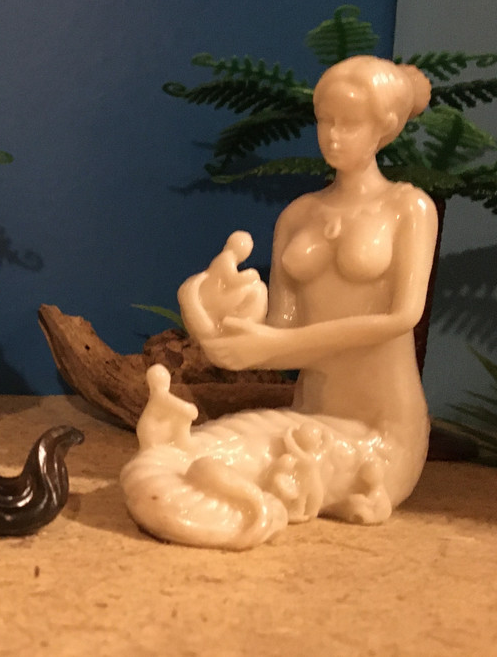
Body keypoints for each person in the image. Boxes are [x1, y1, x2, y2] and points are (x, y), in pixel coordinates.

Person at [122, 55, 436, 549]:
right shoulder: (299, 215)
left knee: (199, 469)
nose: (333, 135)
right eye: (325, 120)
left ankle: (251, 513)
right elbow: (280, 326)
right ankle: (234, 508)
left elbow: (401, 317)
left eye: (350, 123)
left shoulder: (408, 207)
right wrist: (217, 318)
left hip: (381, 433)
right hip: (309, 416)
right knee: (175, 458)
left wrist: (272, 347)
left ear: (385, 127)